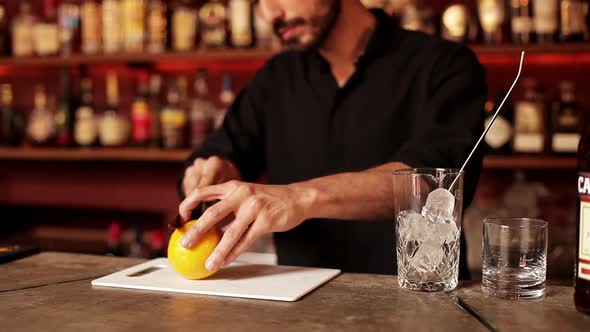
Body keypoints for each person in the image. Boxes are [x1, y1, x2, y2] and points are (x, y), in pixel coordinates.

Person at [177, 0, 486, 278]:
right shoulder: (276, 78)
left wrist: (299, 198)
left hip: (417, 301)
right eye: (257, 2)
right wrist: (212, 175)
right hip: (296, 306)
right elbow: (220, 153)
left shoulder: (446, 65)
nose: (271, 14)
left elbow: (435, 185)